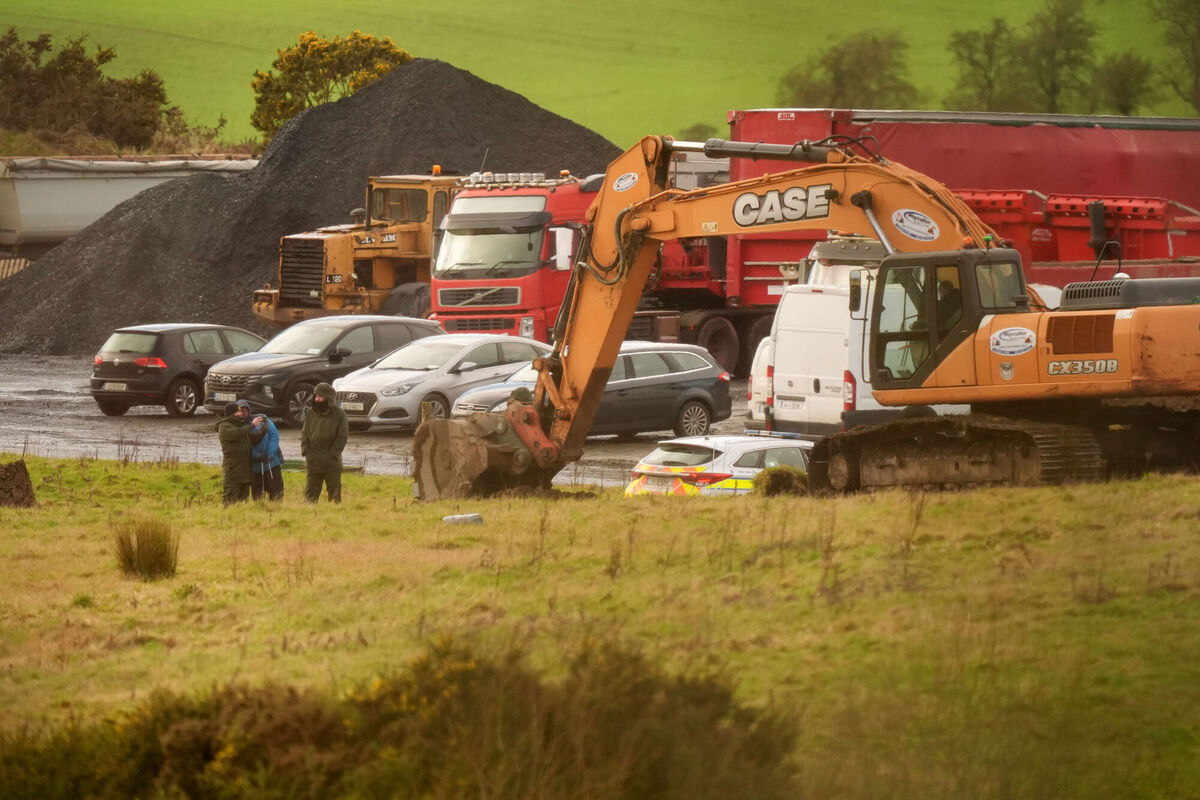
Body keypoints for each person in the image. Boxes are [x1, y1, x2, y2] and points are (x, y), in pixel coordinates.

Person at [300, 382, 348, 503]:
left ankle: (335, 517)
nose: (317, 399)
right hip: (313, 461)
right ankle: (310, 516)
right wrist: (306, 451)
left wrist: (333, 454)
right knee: (310, 495)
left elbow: (342, 436)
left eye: (320, 397)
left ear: (328, 398)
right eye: (316, 396)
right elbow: (304, 433)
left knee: (334, 494)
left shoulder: (339, 414)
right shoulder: (310, 413)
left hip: (331, 462)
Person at [216, 401, 267, 505]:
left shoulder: (241, 427)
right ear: (233, 413)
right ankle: (225, 520)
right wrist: (253, 425)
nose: (242, 414)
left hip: (245, 474)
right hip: (233, 473)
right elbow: (237, 434)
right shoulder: (224, 427)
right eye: (239, 412)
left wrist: (263, 430)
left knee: (243, 504)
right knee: (229, 502)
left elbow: (252, 439)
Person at [250, 404, 284, 501]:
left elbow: (274, 435)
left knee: (277, 491)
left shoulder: (264, 420)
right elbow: (245, 446)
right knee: (258, 494)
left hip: (272, 463)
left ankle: (277, 510)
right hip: (256, 467)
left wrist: (270, 453)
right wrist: (256, 456)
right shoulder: (244, 426)